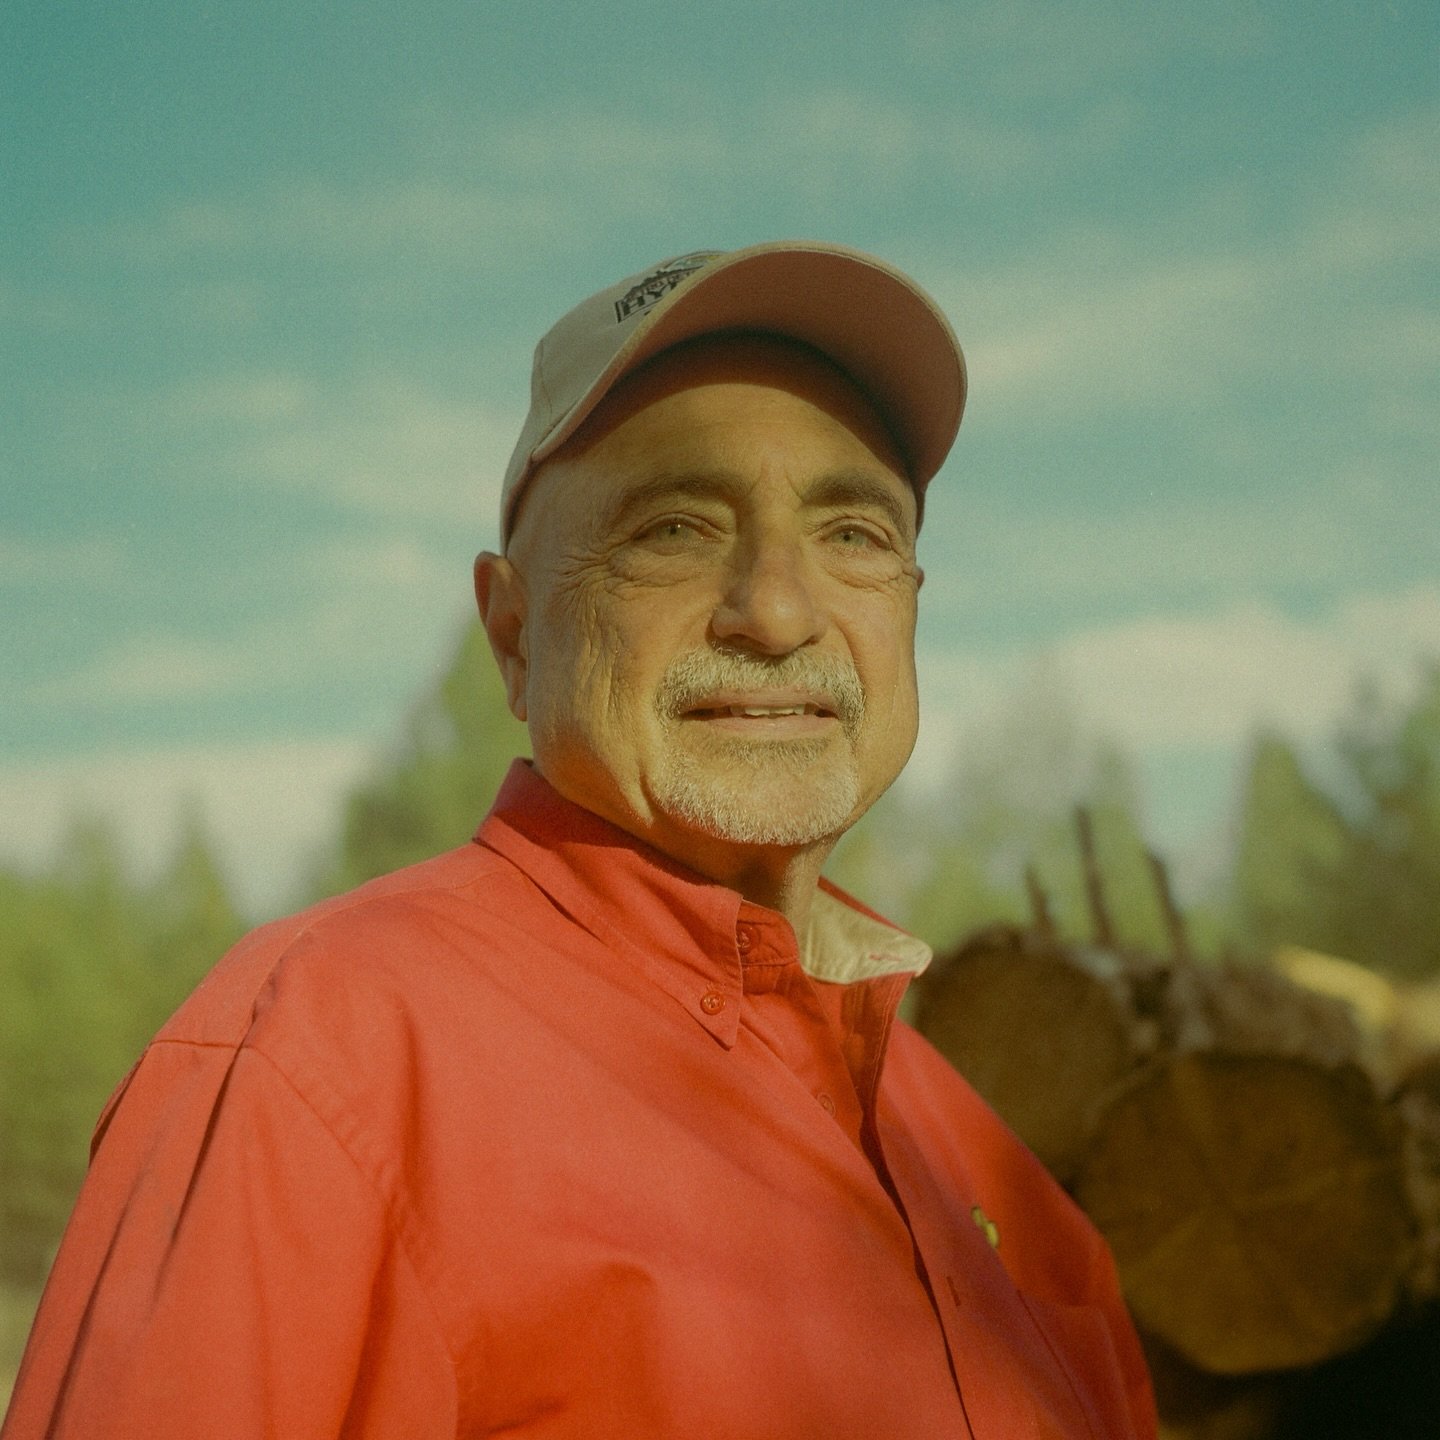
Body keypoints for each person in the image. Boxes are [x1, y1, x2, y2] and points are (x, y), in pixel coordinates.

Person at [2, 242, 1157, 1439]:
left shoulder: (988, 1173)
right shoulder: (313, 1067)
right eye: (672, 529)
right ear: (512, 635)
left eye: (854, 532)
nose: (776, 608)